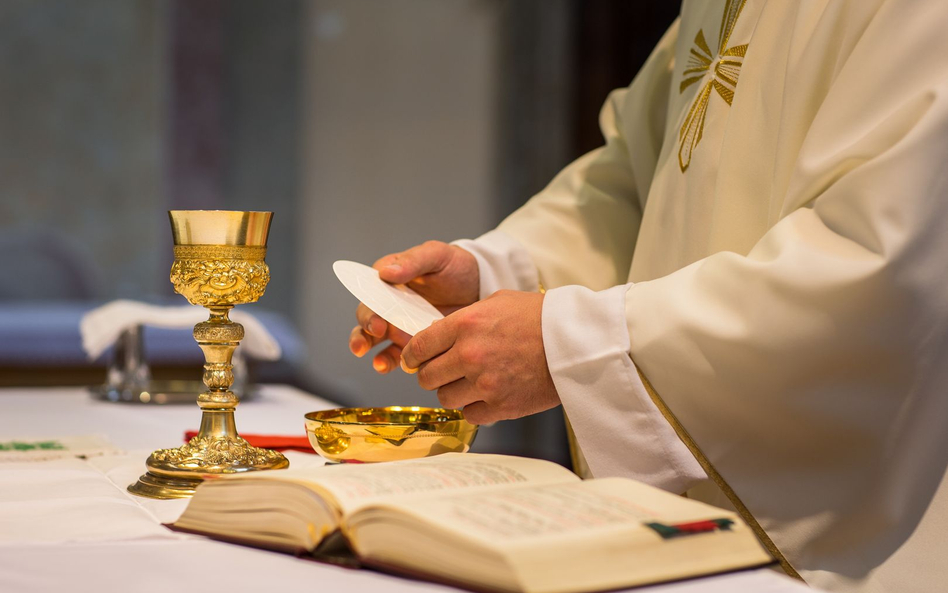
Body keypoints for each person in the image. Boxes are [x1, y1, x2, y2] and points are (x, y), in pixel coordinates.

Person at [348, 0, 948, 590]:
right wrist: (495, 276)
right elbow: (642, 183)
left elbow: (881, 265)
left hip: (853, 530)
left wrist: (569, 340)